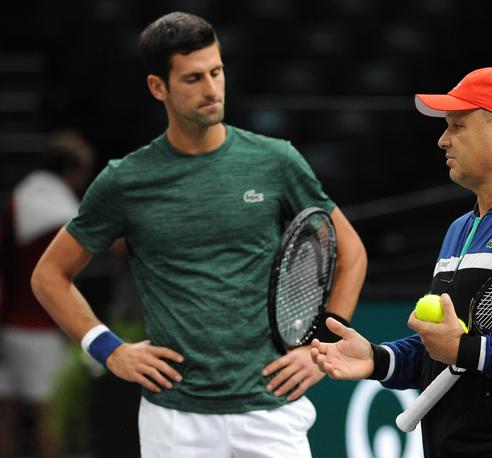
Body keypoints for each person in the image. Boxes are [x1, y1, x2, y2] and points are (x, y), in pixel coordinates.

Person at [30, 12, 367, 458]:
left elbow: (352, 253)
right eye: (193, 78)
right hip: (174, 420)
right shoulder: (125, 181)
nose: (211, 90)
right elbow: (49, 275)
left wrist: (321, 350)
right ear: (158, 87)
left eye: (216, 72)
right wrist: (110, 350)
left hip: (271, 412)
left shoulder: (276, 161)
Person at [311, 67, 492, 458]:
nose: (443, 140)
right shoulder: (460, 228)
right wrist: (378, 359)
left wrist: (466, 350)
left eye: (457, 126)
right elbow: (445, 347)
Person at [0, 129, 94, 458]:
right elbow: (57, 280)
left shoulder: (20, 197)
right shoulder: (62, 213)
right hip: (38, 329)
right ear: (72, 170)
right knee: (50, 421)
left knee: (8, 416)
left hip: (9, 324)